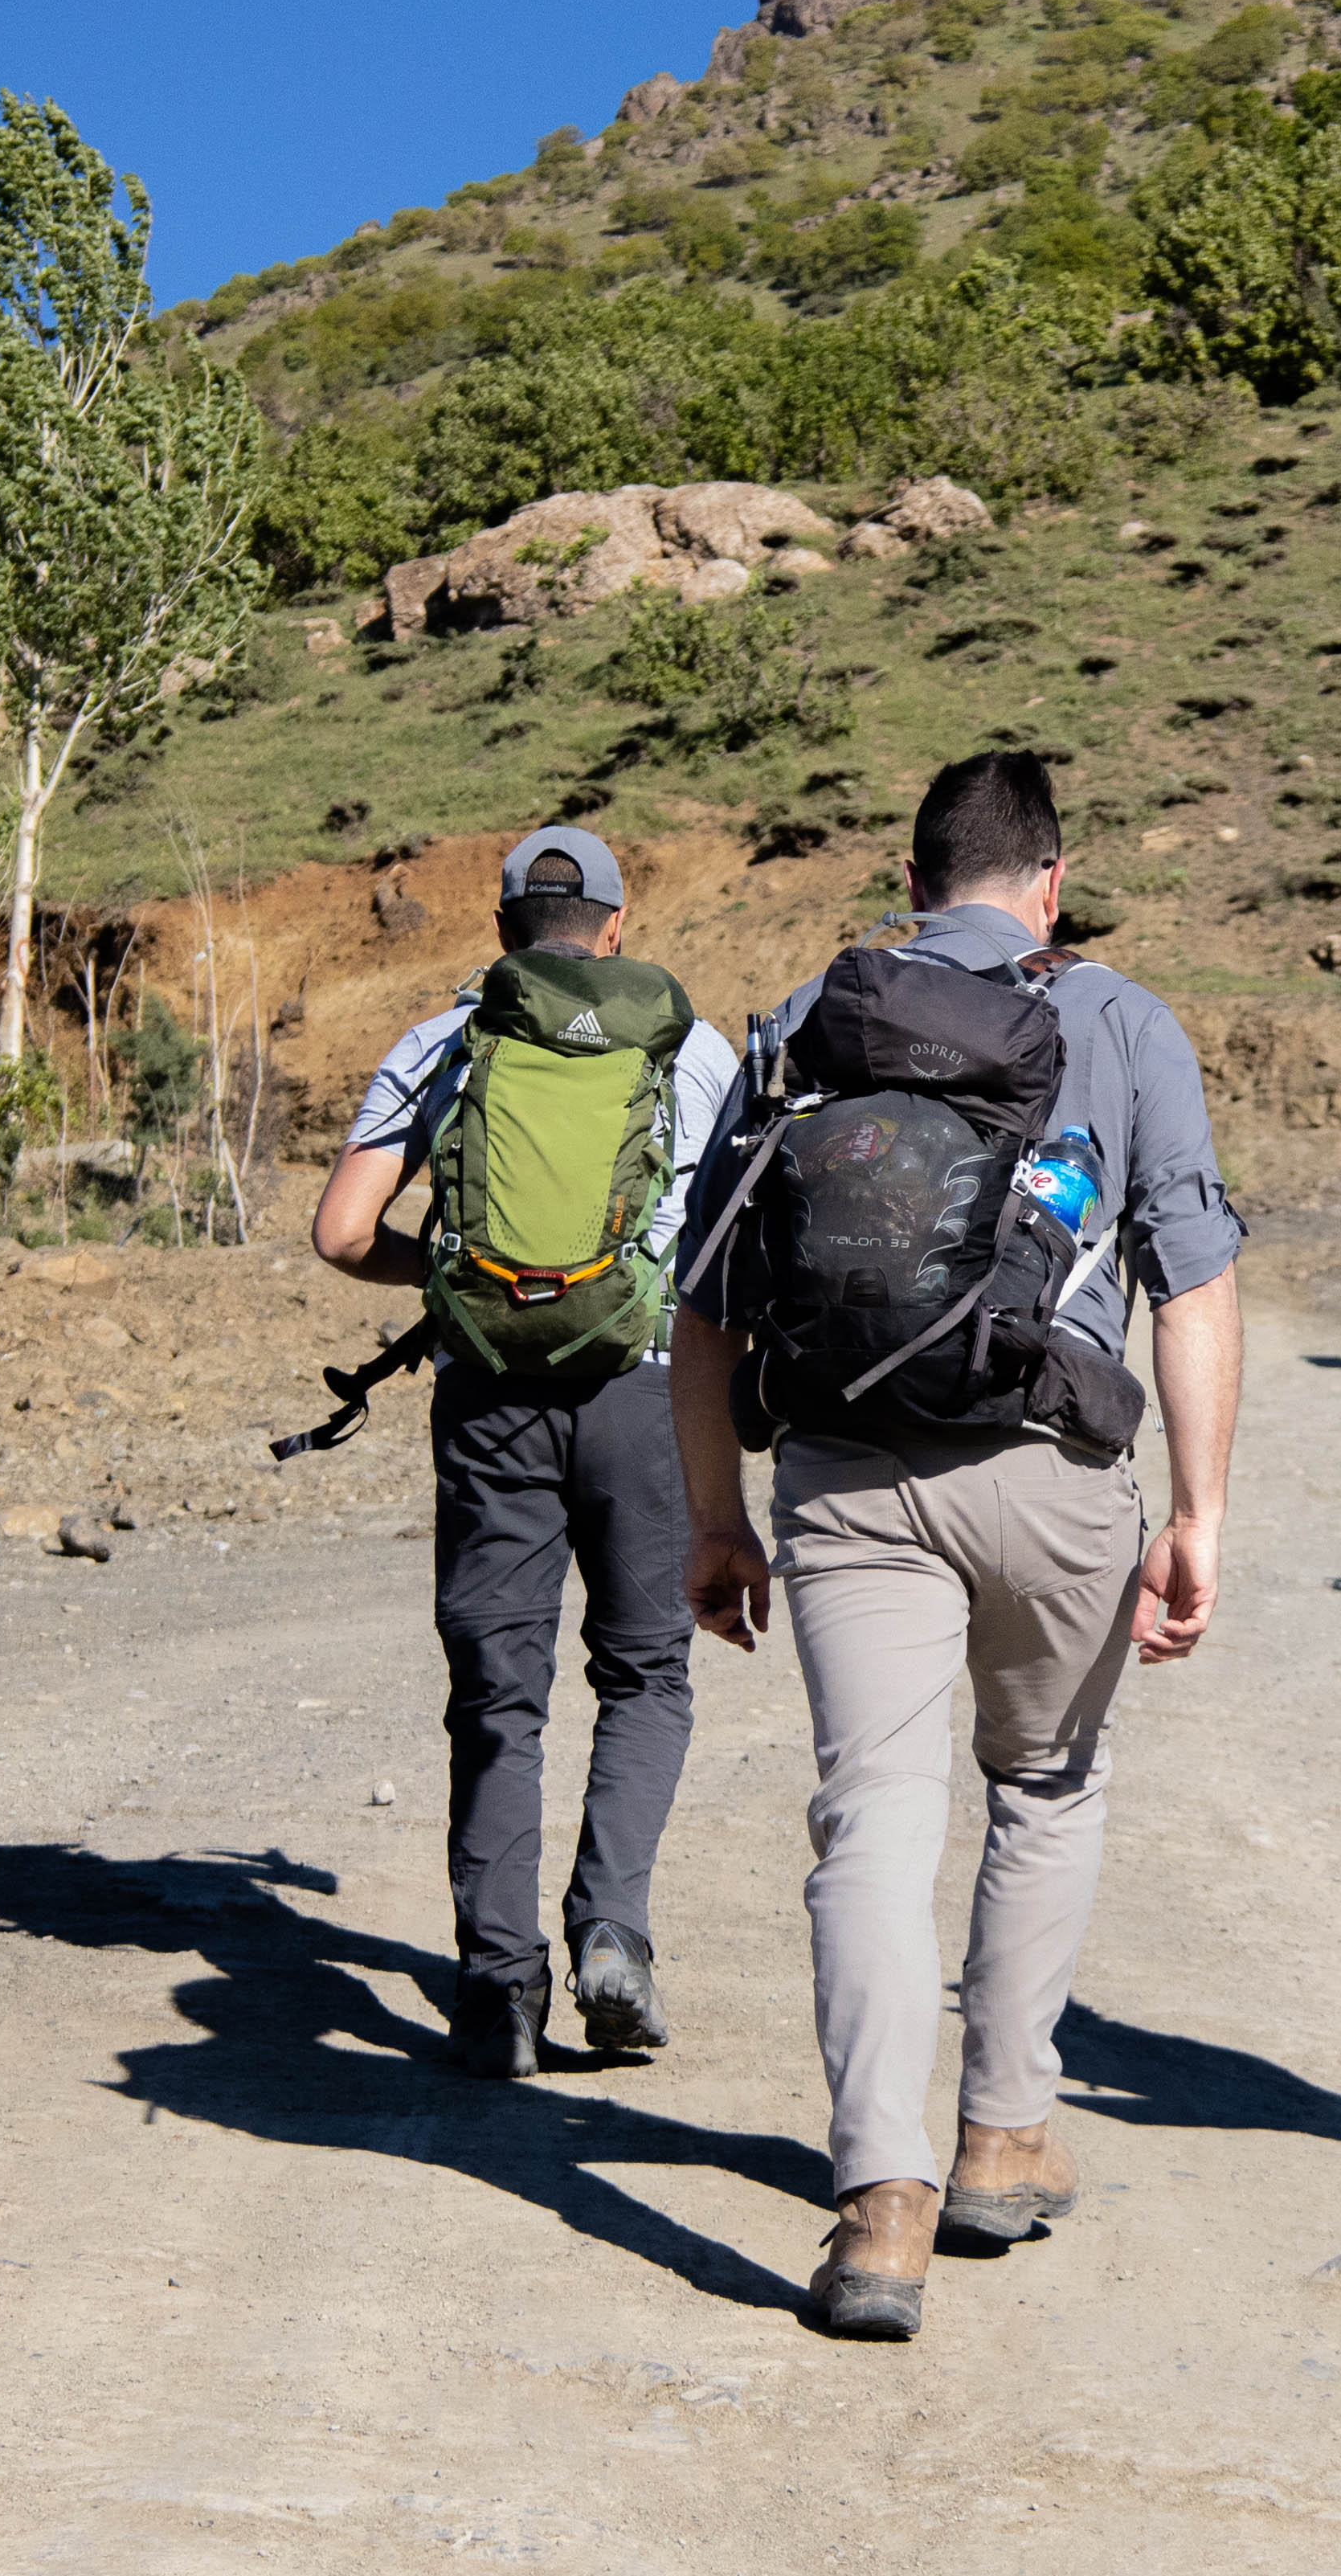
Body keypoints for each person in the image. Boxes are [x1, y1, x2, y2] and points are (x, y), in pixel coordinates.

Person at [670, 750, 1244, 2344]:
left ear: (911, 878)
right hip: (1057, 1470)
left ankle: (883, 2204)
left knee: (873, 1814)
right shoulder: (1123, 1021)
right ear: (1051, 880)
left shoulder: (808, 1018)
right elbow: (1190, 1277)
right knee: (1046, 1786)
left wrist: (716, 1515)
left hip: (849, 1480)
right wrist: (1197, 1509)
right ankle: (1002, 2130)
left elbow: (701, 1301)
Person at [311, 825, 738, 2075]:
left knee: (498, 1697)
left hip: (490, 1393)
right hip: (648, 1392)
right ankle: (611, 1932)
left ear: (504, 929)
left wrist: (449, 1278)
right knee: (646, 1672)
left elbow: (342, 1234)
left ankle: (498, 1994)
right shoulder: (688, 1048)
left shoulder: (446, 1038)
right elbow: (731, 1246)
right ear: (614, 927)